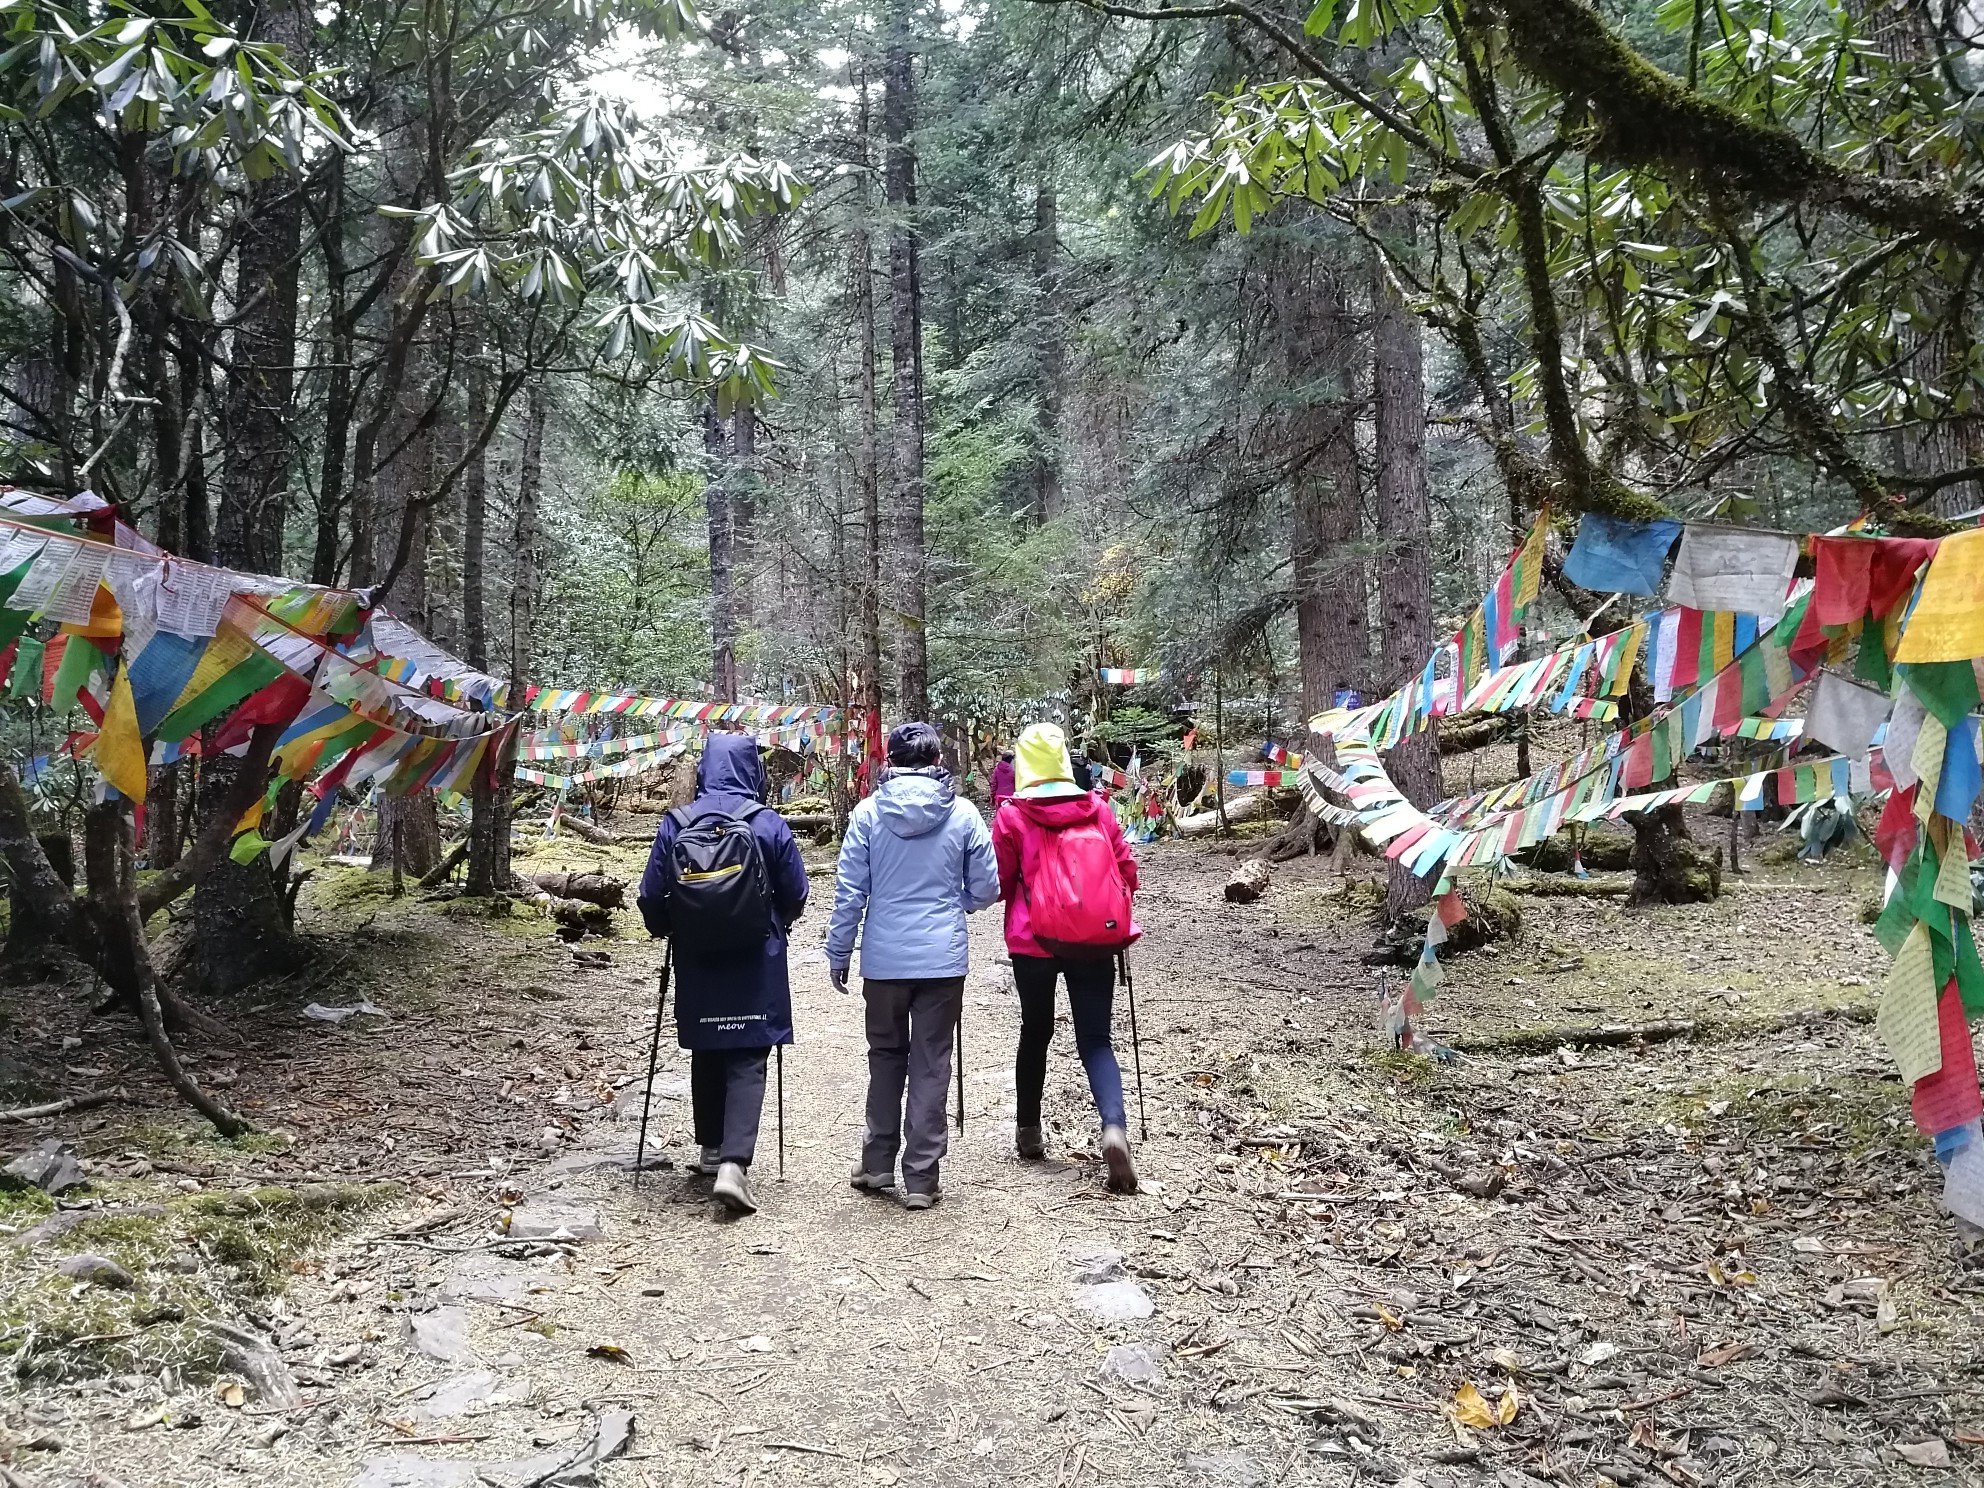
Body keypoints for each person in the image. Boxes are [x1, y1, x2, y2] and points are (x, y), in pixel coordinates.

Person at [827, 722, 1000, 1210]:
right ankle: (922, 1178)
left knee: (885, 1057)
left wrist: (839, 951)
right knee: (931, 1062)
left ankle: (878, 1163)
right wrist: (956, 903)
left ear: (891, 763)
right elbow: (987, 888)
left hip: (883, 960)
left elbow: (849, 894)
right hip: (942, 959)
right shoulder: (963, 814)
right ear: (937, 762)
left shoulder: (867, 814)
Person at [636, 734, 810, 1215]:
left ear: (707, 769)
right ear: (752, 770)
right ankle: (735, 1164)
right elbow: (796, 891)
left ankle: (711, 1148)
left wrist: (669, 929)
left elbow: (651, 896)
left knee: (708, 1042)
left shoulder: (677, 823)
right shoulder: (768, 823)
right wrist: (774, 922)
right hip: (757, 955)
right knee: (749, 1050)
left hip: (698, 955)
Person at [992, 722, 1141, 1194]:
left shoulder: (1012, 815)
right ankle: (1113, 1128)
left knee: (1035, 1030)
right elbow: (1126, 871)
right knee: (1096, 1039)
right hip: (1094, 939)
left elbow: (1000, 883)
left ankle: (1029, 1133)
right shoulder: (1097, 807)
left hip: (1032, 939)